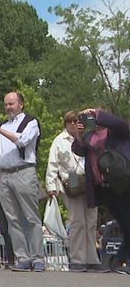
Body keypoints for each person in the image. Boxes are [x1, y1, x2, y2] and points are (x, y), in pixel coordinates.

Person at [0, 92, 44, 272]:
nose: (8, 107)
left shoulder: (30, 122)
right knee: (13, 219)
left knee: (31, 216)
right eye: (6, 104)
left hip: (23, 171)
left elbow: (23, 141)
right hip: (4, 175)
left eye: (12, 104)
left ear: (21, 104)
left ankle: (38, 257)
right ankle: (22, 257)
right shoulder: (2, 126)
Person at [71, 108, 130, 274]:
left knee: (128, 223)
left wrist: (96, 112)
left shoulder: (117, 132)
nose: (91, 119)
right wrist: (79, 135)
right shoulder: (90, 136)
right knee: (124, 225)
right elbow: (78, 149)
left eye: (92, 117)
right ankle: (120, 260)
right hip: (106, 188)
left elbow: (120, 123)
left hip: (124, 183)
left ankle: (122, 259)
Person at [46, 111, 102, 272]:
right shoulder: (59, 141)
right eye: (70, 122)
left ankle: (92, 258)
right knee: (77, 221)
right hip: (71, 179)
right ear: (66, 123)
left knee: (91, 221)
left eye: (76, 121)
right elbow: (52, 164)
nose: (73, 124)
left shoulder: (88, 137)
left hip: (89, 180)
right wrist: (51, 186)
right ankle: (77, 258)